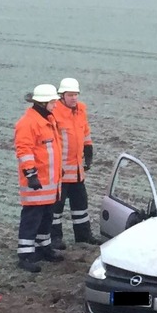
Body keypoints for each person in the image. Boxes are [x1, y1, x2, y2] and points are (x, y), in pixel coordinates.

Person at [14, 84, 65, 273]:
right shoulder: (28, 123)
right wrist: (31, 174)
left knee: (46, 218)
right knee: (31, 219)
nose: (55, 105)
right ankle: (25, 255)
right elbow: (24, 150)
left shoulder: (47, 119)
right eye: (53, 102)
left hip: (49, 184)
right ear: (43, 103)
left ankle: (44, 248)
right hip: (37, 184)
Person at [50, 78, 101, 249]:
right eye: (70, 95)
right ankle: (55, 238)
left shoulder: (80, 111)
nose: (74, 98)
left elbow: (85, 133)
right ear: (62, 96)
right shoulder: (55, 113)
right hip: (61, 172)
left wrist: (88, 150)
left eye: (76, 94)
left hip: (77, 171)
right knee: (56, 208)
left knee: (81, 206)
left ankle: (83, 236)